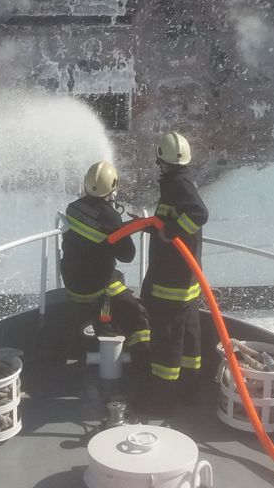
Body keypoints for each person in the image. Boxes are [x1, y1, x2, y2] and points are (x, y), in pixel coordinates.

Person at [141, 130, 209, 395]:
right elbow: (174, 220)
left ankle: (162, 399)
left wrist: (170, 231)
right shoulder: (181, 182)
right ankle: (190, 390)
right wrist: (155, 227)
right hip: (185, 282)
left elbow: (199, 214)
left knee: (167, 339)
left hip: (172, 283)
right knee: (189, 337)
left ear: (161, 159)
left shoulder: (178, 185)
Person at [61, 160, 151, 360]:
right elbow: (127, 255)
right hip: (96, 285)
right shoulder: (111, 217)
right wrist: (122, 226)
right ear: (113, 186)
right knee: (137, 313)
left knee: (115, 278)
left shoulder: (73, 208)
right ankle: (142, 356)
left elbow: (94, 233)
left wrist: (120, 227)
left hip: (72, 280)